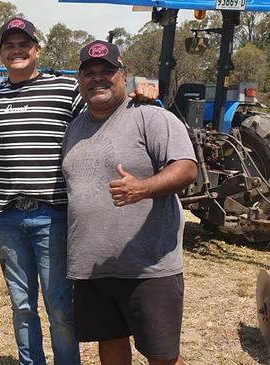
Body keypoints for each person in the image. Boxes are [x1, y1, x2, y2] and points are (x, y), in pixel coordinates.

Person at [0, 18, 157, 365]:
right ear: (0, 53)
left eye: (24, 44)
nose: (17, 51)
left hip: (51, 215)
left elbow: (106, 109)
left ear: (37, 50)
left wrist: (139, 94)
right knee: (22, 304)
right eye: (9, 46)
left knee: (59, 304)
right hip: (7, 217)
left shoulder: (65, 90)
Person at [61, 40, 197, 365]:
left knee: (162, 356)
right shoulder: (73, 129)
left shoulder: (150, 117)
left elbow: (187, 167)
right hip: (93, 267)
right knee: (110, 347)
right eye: (89, 72)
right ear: (80, 81)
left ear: (123, 75)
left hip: (148, 268)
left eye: (107, 71)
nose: (98, 78)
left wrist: (144, 188)